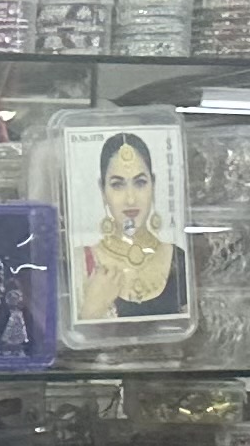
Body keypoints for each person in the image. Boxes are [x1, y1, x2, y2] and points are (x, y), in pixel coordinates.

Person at [74, 129, 187, 324]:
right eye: (117, 185)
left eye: (140, 183)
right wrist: (92, 311)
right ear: (103, 190)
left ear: (153, 185)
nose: (131, 199)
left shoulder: (177, 259)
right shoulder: (80, 264)